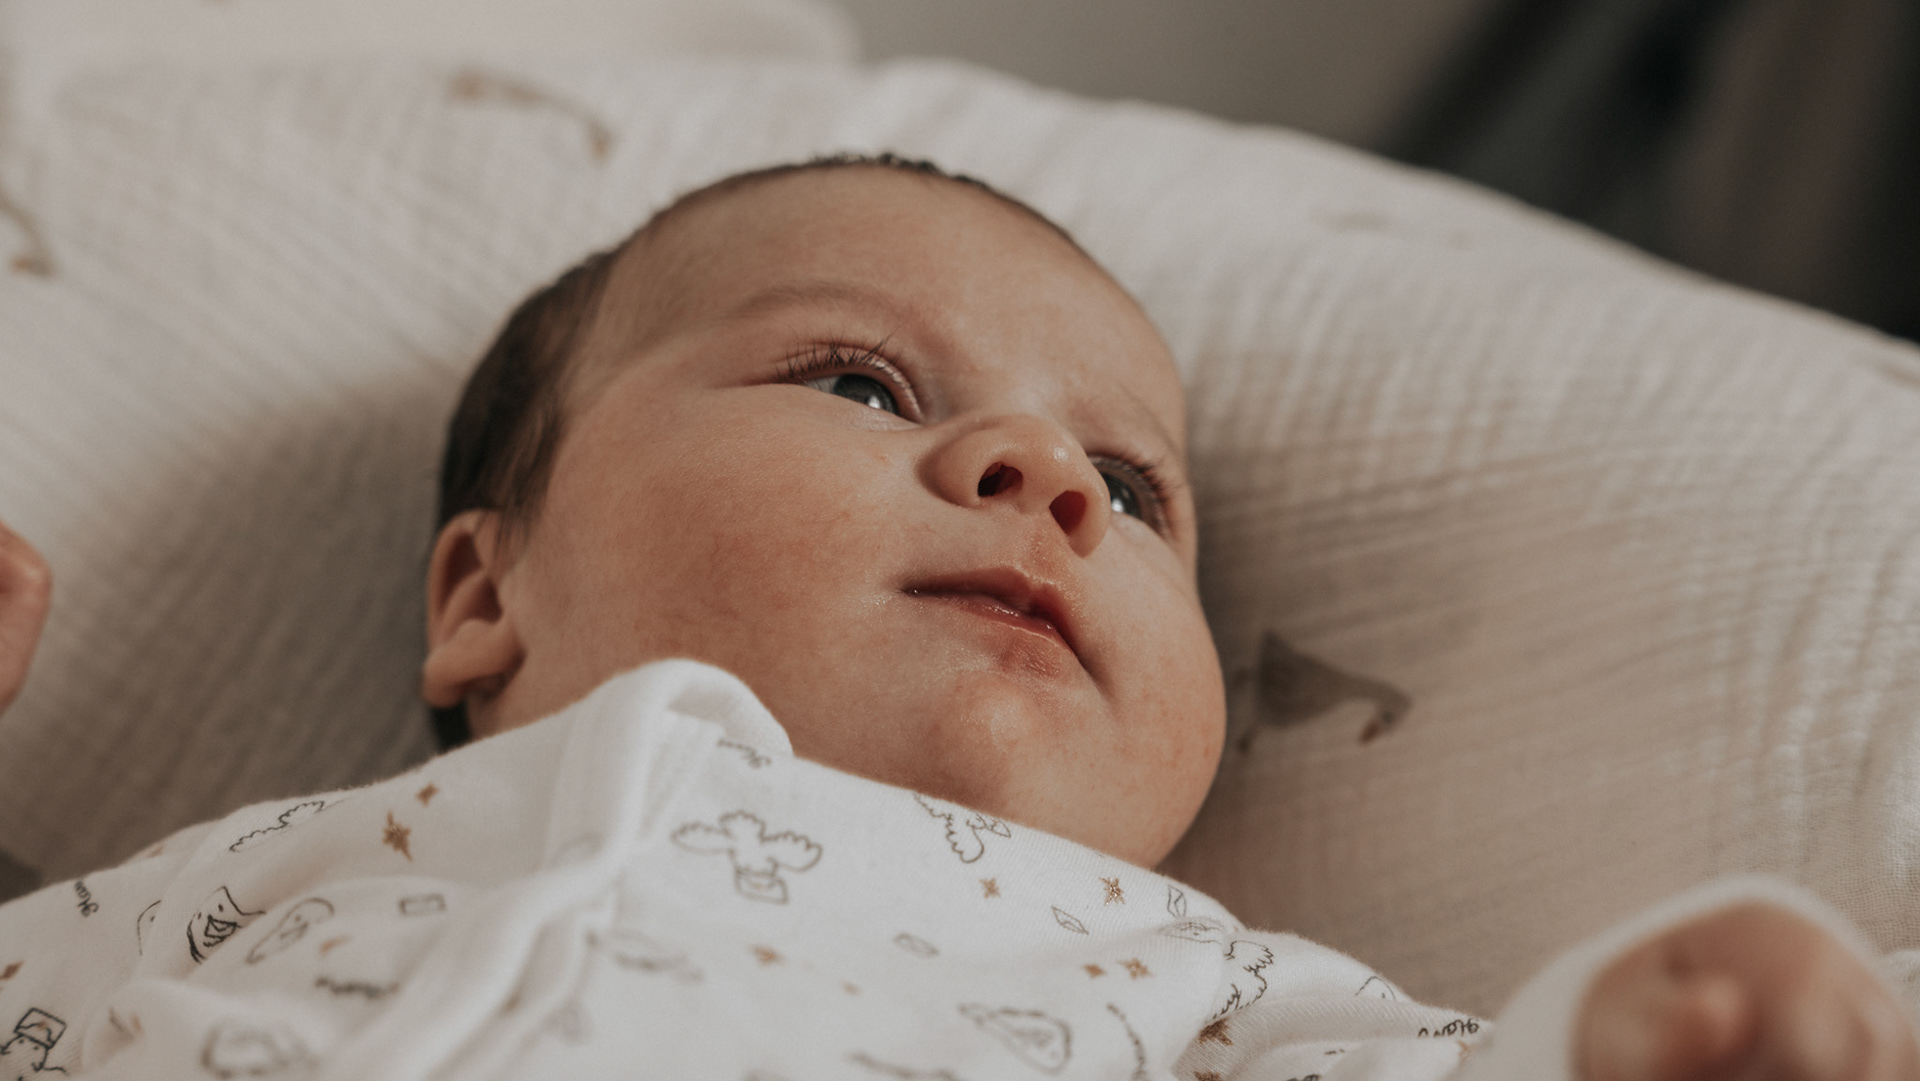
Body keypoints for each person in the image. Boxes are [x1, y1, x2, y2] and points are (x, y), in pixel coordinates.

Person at [0, 155, 1912, 1080]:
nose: (1047, 473)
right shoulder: (245, 875)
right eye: (858, 382)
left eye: (1135, 490)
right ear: (490, 593)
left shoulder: (1197, 990)